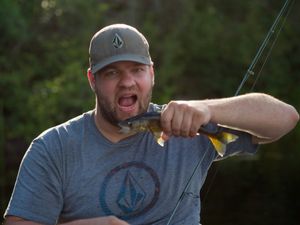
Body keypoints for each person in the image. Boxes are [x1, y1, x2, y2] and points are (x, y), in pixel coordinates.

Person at [3, 24, 299, 225]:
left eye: (137, 70)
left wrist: (207, 109)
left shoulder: (188, 124)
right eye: (111, 73)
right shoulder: (53, 148)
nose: (127, 81)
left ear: (152, 74)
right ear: (92, 80)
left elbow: (286, 119)